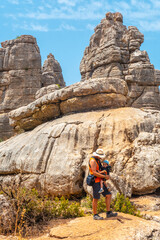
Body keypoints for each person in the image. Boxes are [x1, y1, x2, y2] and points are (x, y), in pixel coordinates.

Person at [89, 149, 117, 220]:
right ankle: (95, 215)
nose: (101, 157)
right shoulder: (93, 161)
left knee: (108, 195)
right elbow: (94, 172)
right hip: (96, 181)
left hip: (100, 180)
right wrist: (104, 176)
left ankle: (108, 213)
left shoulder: (98, 160)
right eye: (100, 156)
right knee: (96, 198)